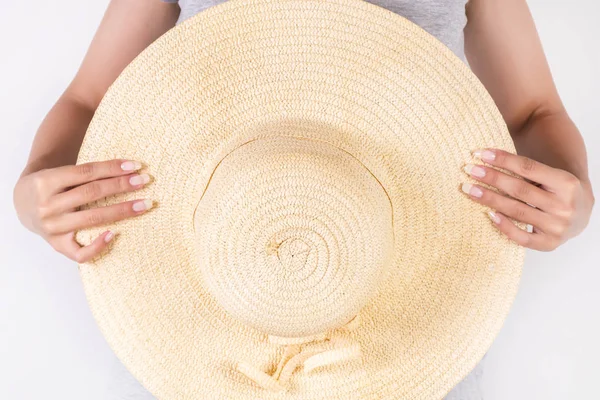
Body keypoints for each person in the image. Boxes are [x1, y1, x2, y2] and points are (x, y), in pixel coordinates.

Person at [13, 0, 595, 398]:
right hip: (200, 335)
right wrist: (35, 188)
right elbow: (90, 102)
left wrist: (571, 190)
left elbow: (532, 113)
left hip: (408, 326)